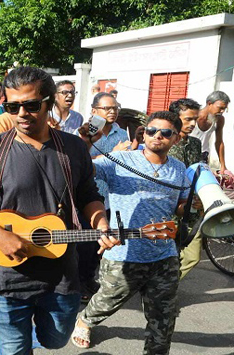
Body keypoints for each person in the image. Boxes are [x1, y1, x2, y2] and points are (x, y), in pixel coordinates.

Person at [0, 67, 117, 354]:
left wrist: (100, 221)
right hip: (5, 275)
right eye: (12, 106)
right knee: (15, 349)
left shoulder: (74, 148)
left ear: (49, 102)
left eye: (30, 105)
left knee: (56, 340)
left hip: (62, 275)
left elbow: (88, 194)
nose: (21, 114)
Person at [72, 111, 190, 353]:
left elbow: (178, 207)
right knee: (106, 302)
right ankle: (85, 320)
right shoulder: (121, 159)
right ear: (144, 133)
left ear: (176, 139)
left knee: (164, 318)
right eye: (152, 131)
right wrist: (84, 143)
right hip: (122, 252)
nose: (157, 136)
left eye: (166, 133)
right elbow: (83, 170)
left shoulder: (180, 169)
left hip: (164, 254)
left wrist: (190, 206)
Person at [78, 92, 132, 301]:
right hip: (90, 194)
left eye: (115, 107)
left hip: (113, 195)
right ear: (94, 111)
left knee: (100, 243)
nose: (112, 112)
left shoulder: (121, 133)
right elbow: (81, 161)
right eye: (107, 108)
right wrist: (114, 155)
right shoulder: (86, 132)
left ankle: (90, 278)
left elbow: (124, 160)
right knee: (84, 242)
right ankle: (80, 282)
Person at [168, 99, 204, 280]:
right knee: (165, 258)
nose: (192, 124)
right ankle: (160, 292)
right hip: (167, 212)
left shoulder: (195, 144)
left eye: (195, 119)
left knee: (192, 255)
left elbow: (197, 172)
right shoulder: (162, 141)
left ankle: (167, 287)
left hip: (192, 209)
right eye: (188, 119)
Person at [190, 91, 231, 178]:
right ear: (209, 103)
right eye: (220, 108)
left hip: (203, 156)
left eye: (224, 109)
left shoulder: (219, 120)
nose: (222, 111)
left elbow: (219, 142)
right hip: (188, 153)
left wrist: (223, 165)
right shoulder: (193, 117)